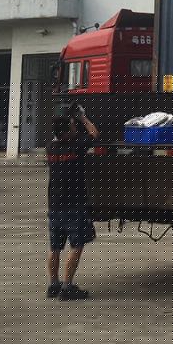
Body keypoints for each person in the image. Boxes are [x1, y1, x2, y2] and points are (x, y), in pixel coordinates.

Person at [46, 103, 98, 301]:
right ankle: (67, 287)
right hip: (74, 206)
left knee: (55, 248)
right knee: (76, 246)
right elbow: (94, 133)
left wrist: (64, 119)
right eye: (73, 126)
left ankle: (53, 285)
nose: (75, 127)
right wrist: (83, 117)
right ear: (67, 132)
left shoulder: (51, 148)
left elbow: (57, 135)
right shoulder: (77, 146)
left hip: (55, 206)